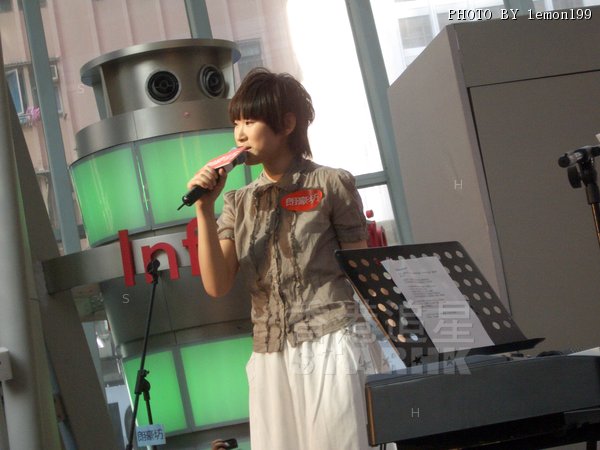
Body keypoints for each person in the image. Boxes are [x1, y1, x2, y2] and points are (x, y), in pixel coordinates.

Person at [187, 67, 384, 450]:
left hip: (332, 341)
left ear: (287, 124)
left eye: (250, 121)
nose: (240, 134)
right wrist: (204, 210)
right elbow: (216, 284)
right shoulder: (238, 202)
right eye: (236, 123)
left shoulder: (331, 183)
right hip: (270, 353)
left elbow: (363, 273)